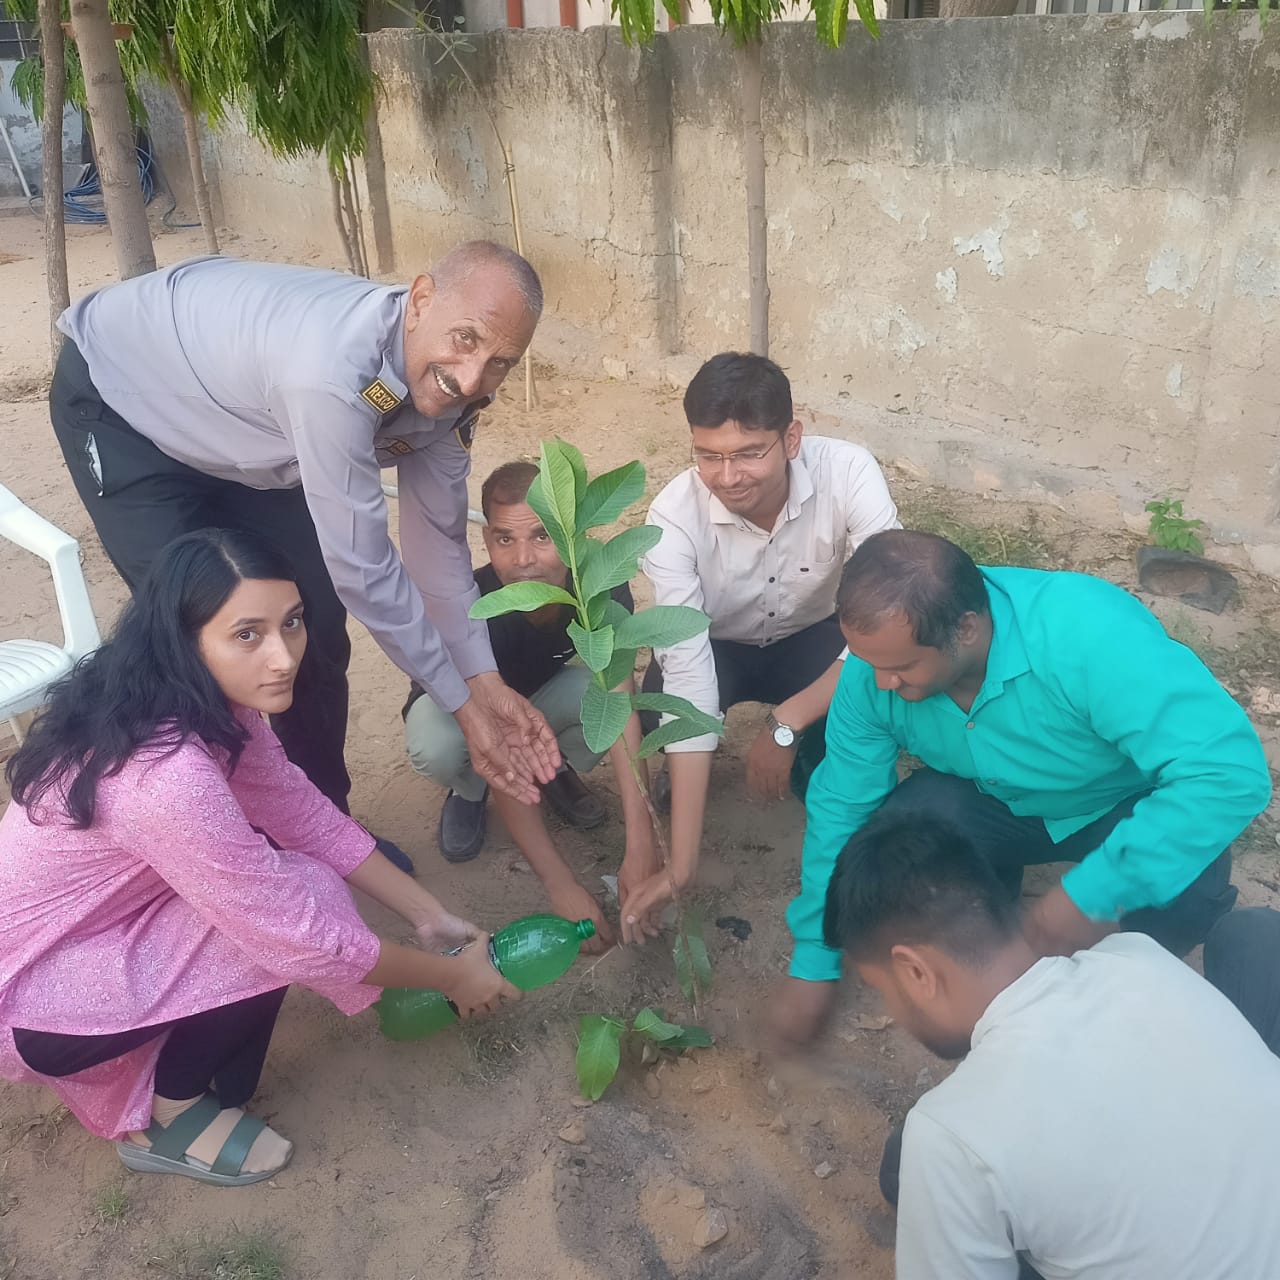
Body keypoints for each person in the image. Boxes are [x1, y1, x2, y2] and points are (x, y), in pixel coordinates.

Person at [0, 530, 516, 1188]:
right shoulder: (166, 777)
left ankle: (182, 1061)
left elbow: (299, 810)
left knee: (284, 888)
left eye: (292, 623)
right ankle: (170, 1115)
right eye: (248, 634)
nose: (282, 657)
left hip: (90, 932)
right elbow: (301, 939)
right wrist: (452, 979)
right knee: (297, 907)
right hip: (30, 993)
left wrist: (428, 916)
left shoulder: (192, 701)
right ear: (187, 639)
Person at [49, 241, 561, 875]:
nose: (472, 375)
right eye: (464, 338)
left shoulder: (457, 395)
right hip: (126, 407)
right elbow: (365, 569)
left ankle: (328, 835)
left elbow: (440, 554)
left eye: (501, 362)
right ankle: (232, 860)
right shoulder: (330, 375)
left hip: (252, 426)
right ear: (421, 299)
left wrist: (484, 683)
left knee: (309, 626)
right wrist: (462, 708)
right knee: (205, 642)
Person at [772, 529, 1271, 1049]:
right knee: (902, 835)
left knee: (1182, 894)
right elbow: (841, 810)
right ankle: (986, 956)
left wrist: (1093, 892)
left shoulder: (1085, 633)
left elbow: (1227, 772)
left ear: (966, 630)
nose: (880, 684)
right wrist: (814, 960)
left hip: (1119, 804)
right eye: (869, 663)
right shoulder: (871, 674)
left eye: (900, 667)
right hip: (992, 802)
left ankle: (1126, 998)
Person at [823, 812, 1280, 1280]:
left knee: (908, 1169)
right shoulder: (1137, 957)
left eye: (884, 989)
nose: (894, 1013)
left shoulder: (949, 1137)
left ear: (916, 972)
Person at [627, 352, 899, 935]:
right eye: (710, 456)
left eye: (750, 453)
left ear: (791, 438)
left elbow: (888, 618)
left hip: (810, 639)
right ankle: (686, 783)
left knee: (865, 713)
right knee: (661, 721)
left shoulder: (849, 473)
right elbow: (691, 676)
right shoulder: (673, 519)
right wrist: (683, 861)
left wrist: (787, 722)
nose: (729, 477)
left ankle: (815, 768)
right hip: (718, 648)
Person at [403, 461, 658, 950]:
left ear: (572, 534)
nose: (523, 559)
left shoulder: (598, 582)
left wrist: (641, 848)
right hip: (468, 714)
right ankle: (469, 791)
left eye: (543, 537)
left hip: (540, 701)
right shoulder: (474, 603)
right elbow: (503, 738)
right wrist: (562, 886)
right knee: (436, 744)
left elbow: (621, 704)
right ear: (487, 540)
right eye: (503, 539)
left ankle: (552, 769)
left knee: (607, 695)